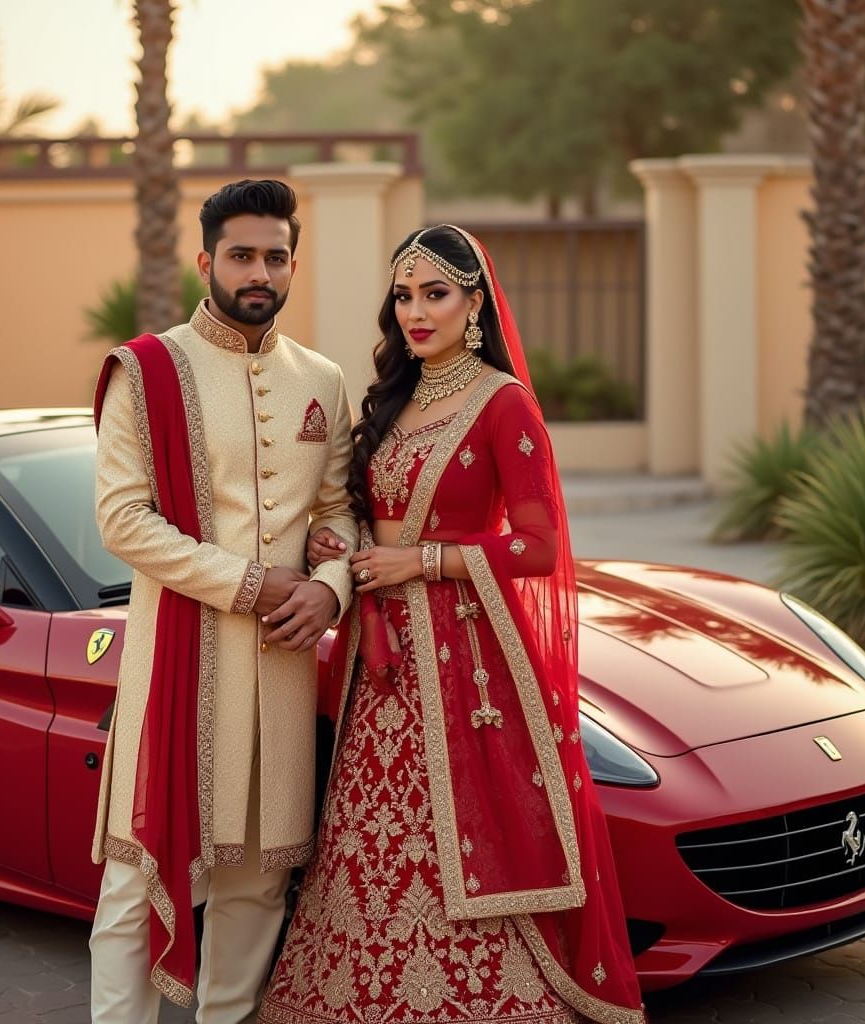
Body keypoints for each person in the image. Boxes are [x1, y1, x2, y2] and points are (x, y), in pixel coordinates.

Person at [259, 225, 646, 1024]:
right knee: (372, 844)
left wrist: (423, 562)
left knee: (462, 835)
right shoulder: (395, 399)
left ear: (476, 301)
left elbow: (538, 547)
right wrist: (353, 544)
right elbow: (376, 518)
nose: (415, 312)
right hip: (382, 665)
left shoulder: (505, 405)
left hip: (468, 661)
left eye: (434, 293)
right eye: (403, 295)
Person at [88, 179, 358, 1024]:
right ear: (206, 261)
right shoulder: (149, 370)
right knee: (137, 882)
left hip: (278, 673)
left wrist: (330, 589)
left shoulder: (322, 378)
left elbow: (341, 510)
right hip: (174, 665)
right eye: (242, 255)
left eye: (275, 257)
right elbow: (122, 521)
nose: (260, 272)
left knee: (258, 883)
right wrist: (250, 583)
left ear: (292, 266)